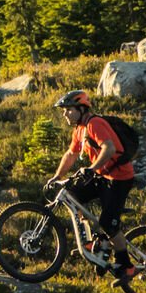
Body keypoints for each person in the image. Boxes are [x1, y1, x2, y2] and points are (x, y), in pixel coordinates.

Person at [48, 88, 136, 281]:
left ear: (81, 109)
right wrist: (57, 176)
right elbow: (71, 154)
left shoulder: (94, 124)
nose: (64, 114)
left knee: (108, 223)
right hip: (102, 176)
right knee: (72, 193)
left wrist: (91, 168)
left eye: (68, 110)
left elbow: (109, 148)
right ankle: (93, 242)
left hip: (120, 178)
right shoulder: (79, 129)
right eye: (63, 110)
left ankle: (127, 266)